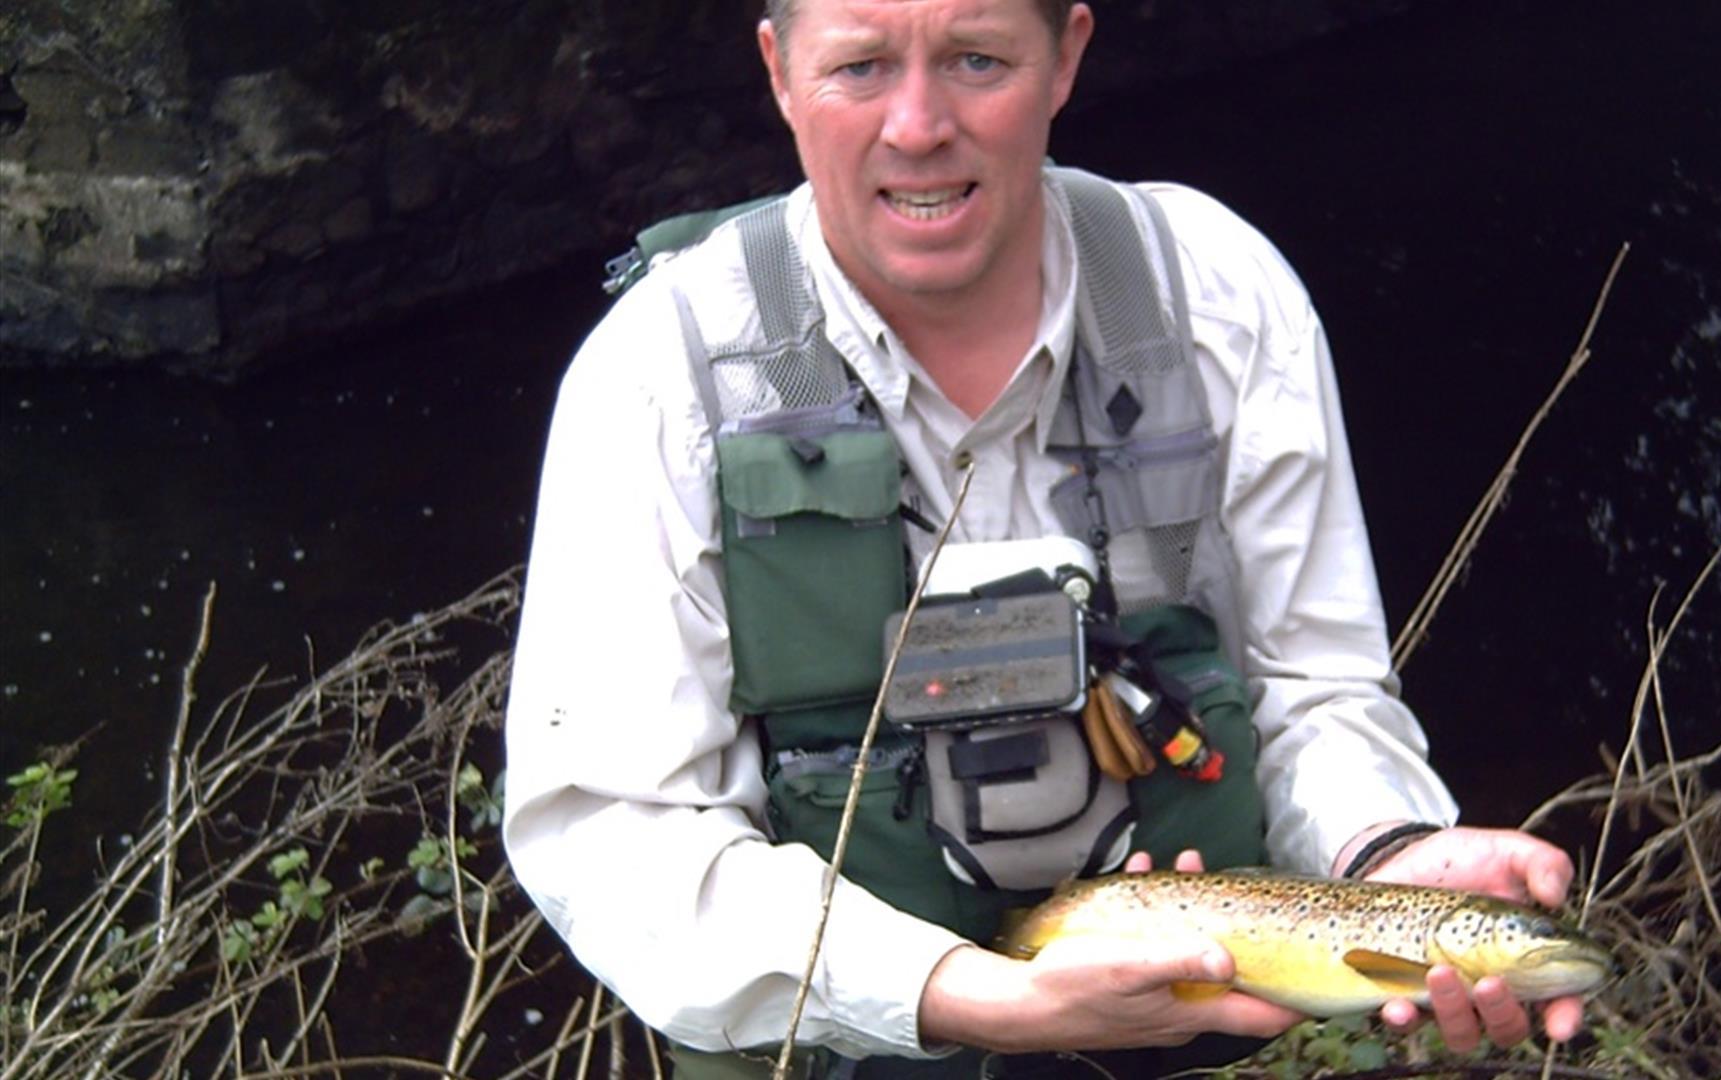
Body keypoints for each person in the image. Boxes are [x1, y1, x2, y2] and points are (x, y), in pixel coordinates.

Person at [503, 0, 1586, 1074]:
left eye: (978, 59)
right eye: (862, 68)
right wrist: (973, 998)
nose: (919, 125)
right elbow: (615, 837)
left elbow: (1312, 693)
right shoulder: (660, 375)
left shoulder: (1216, 299)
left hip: (1199, 1048)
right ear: (780, 73)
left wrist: (1389, 854)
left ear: (1067, 55)